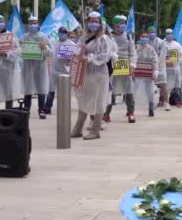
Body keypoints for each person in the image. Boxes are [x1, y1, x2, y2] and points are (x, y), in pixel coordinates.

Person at [71, 11, 113, 140]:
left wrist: (89, 57)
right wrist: (80, 52)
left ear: (100, 23)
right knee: (84, 99)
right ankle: (78, 129)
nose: (94, 24)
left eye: (96, 21)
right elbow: (77, 50)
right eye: (92, 21)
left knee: (99, 101)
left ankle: (95, 130)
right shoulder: (84, 37)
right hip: (86, 73)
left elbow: (106, 55)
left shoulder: (104, 38)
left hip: (100, 74)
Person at [104, 15, 137, 123]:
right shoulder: (108, 36)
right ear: (115, 24)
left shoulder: (128, 36)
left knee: (129, 90)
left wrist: (132, 65)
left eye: (124, 23)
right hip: (112, 66)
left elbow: (132, 52)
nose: (122, 25)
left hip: (125, 66)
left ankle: (131, 112)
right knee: (110, 91)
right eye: (120, 23)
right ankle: (106, 114)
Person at [21, 16, 53, 119]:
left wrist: (45, 48)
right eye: (30, 23)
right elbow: (17, 50)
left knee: (41, 87)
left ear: (38, 24)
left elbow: (51, 53)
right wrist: (19, 45)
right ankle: (26, 109)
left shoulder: (44, 37)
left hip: (40, 66)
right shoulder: (24, 37)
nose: (32, 25)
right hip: (28, 65)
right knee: (28, 87)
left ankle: (41, 110)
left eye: (34, 23)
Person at [0, 14, 22, 111]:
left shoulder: (11, 37)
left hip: (9, 70)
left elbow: (18, 51)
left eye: (0, 22)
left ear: (4, 23)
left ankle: (8, 113)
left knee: (9, 93)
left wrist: (7, 54)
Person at [44, 27, 76, 114]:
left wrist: (69, 58)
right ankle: (47, 107)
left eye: (63, 33)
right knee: (51, 89)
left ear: (67, 34)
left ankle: (64, 107)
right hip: (54, 69)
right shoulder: (54, 43)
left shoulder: (72, 44)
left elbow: (74, 57)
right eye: (60, 32)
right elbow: (50, 53)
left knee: (64, 91)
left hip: (65, 70)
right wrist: (45, 48)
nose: (61, 34)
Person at [133, 32, 159, 117]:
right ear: (140, 37)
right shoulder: (136, 48)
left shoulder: (151, 49)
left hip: (148, 72)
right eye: (143, 36)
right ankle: (131, 108)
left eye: (146, 37)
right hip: (137, 72)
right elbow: (132, 58)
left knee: (150, 90)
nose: (144, 38)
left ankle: (151, 108)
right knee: (134, 90)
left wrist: (155, 70)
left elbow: (155, 60)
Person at [146, 26, 168, 110]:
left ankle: (166, 103)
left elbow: (163, 54)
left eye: (153, 32)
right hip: (149, 66)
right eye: (150, 32)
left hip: (160, 66)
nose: (152, 33)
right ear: (148, 33)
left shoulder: (161, 42)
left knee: (163, 84)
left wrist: (157, 65)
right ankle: (151, 104)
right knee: (150, 86)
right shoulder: (146, 42)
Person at [163, 29, 182, 108]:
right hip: (166, 68)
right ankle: (164, 101)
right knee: (165, 85)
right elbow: (160, 55)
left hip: (175, 68)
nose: (169, 35)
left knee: (177, 85)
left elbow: (181, 56)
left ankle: (178, 101)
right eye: (167, 34)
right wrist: (165, 62)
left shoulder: (177, 45)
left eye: (170, 34)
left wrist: (174, 63)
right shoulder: (163, 43)